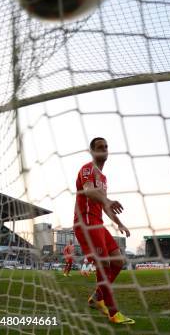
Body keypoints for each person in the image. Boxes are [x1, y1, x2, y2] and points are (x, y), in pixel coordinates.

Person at [73, 137, 134, 324]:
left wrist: (119, 223)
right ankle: (113, 313)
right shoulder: (87, 169)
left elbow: (105, 205)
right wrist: (107, 201)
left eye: (106, 146)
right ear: (92, 151)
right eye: (100, 147)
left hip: (98, 224)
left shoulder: (104, 178)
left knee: (118, 261)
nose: (104, 149)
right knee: (104, 264)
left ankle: (98, 297)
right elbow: (89, 190)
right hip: (86, 222)